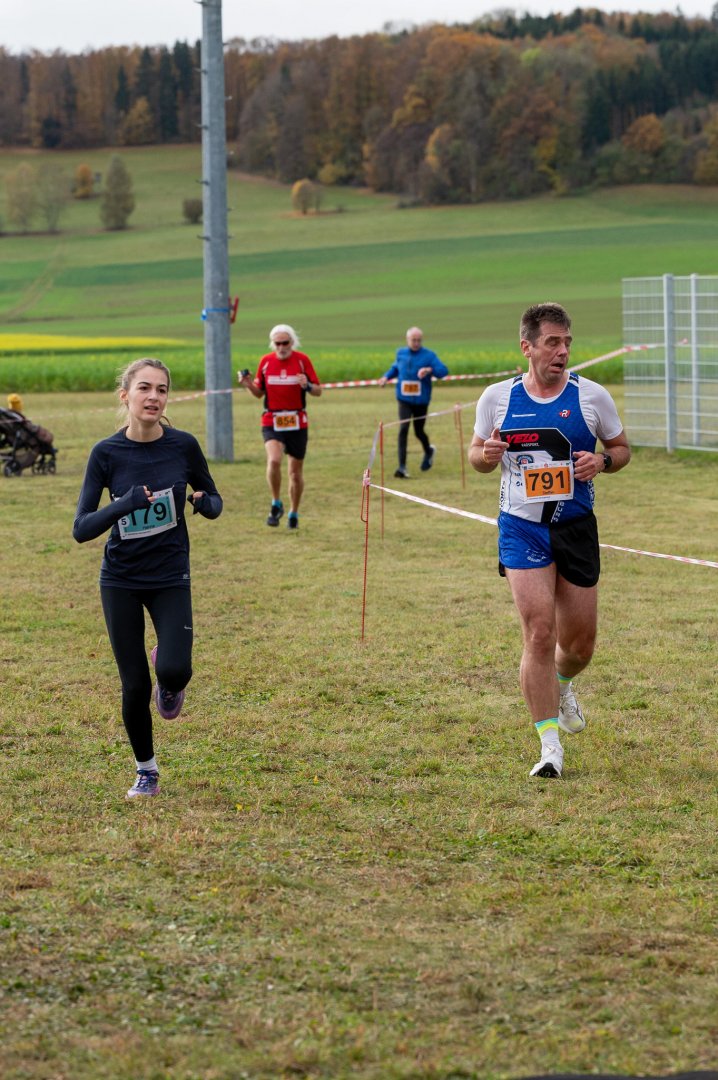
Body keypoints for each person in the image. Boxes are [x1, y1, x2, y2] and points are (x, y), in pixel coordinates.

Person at [468, 302, 630, 779]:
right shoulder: (497, 398)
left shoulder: (591, 396)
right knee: (540, 631)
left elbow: (621, 450)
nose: (562, 351)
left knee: (579, 646)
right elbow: (476, 455)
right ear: (528, 347)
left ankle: (562, 684)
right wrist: (486, 455)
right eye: (552, 342)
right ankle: (549, 748)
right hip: (521, 527)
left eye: (567, 343)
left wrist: (601, 462)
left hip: (575, 527)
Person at [73, 358, 223, 799]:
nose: (154, 396)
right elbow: (81, 528)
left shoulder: (183, 445)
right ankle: (147, 771)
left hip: (170, 574)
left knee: (175, 669)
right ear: (126, 396)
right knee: (135, 684)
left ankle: (168, 674)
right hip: (120, 579)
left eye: (161, 389)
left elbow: (215, 498)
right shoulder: (105, 453)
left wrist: (205, 504)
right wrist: (123, 504)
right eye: (144, 388)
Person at [239, 324, 321, 530]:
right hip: (272, 420)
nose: (282, 347)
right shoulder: (266, 362)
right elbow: (259, 393)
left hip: (297, 421)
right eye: (278, 343)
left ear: (292, 342)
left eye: (285, 343)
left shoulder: (302, 361)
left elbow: (318, 391)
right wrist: (248, 384)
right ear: (273, 344)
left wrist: (307, 385)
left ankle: (294, 512)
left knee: (295, 473)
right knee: (274, 460)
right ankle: (276, 503)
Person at [379, 327, 448, 478]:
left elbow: (443, 371)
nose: (416, 343)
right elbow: (395, 368)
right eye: (413, 340)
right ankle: (402, 467)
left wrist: (429, 370)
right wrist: (386, 377)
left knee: (418, 431)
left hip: (421, 401)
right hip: (403, 399)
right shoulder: (401, 353)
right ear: (407, 340)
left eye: (418, 340)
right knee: (403, 428)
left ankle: (429, 451)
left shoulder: (429, 355)